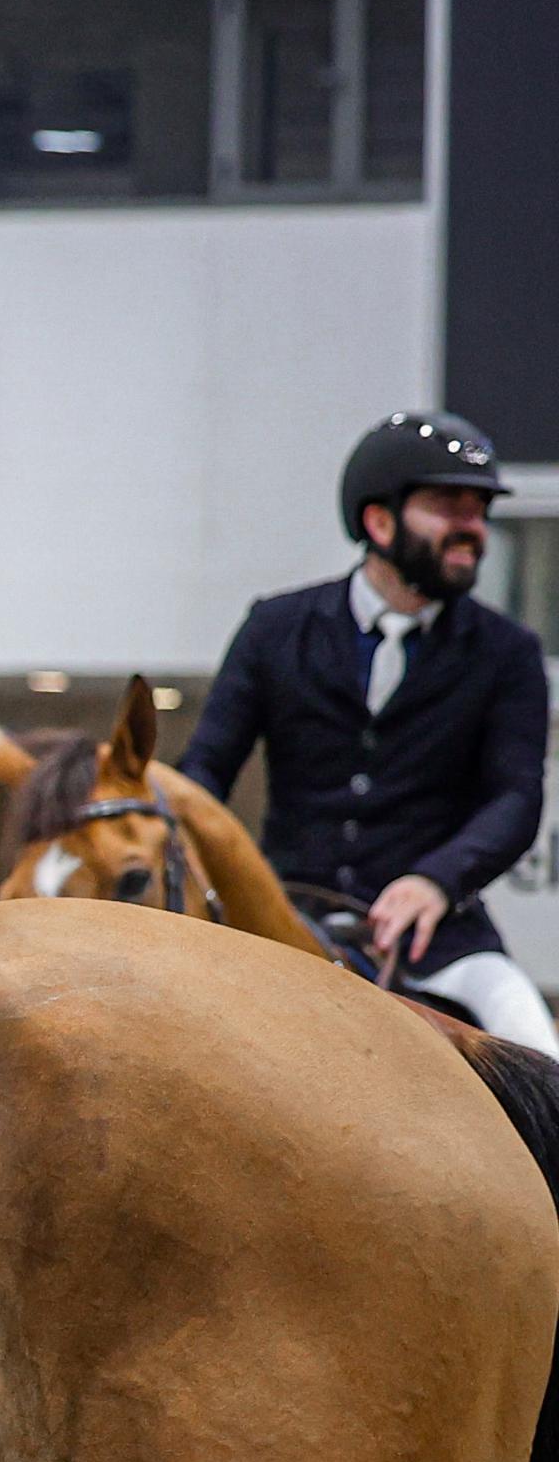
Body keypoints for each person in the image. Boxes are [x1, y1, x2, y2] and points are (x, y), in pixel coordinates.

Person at [179, 410, 555, 1055]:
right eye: (448, 506)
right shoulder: (276, 629)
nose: (472, 528)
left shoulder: (507, 652)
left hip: (441, 942)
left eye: (479, 510)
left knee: (539, 1051)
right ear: (379, 521)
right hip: (282, 918)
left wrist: (435, 880)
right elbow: (207, 766)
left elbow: (515, 798)